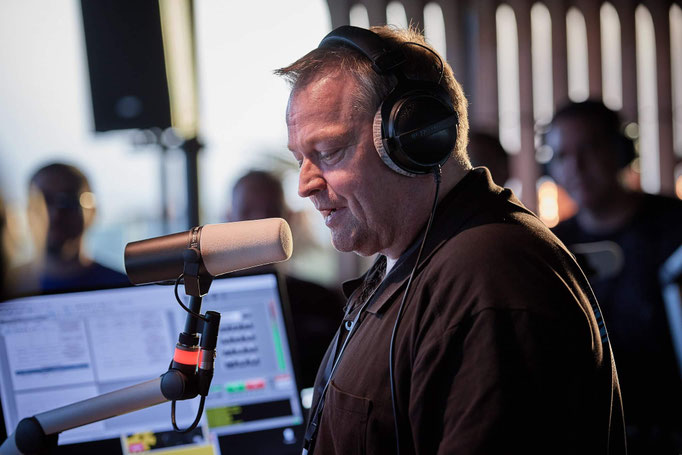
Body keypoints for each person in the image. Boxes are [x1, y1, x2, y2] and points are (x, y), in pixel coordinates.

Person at [276, 25, 626, 454]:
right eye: (300, 159)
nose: (305, 185)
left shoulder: (490, 280)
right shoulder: (410, 260)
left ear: (414, 137)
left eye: (328, 153)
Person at [545, 100, 682, 454]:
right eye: (562, 156)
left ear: (621, 151)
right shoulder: (550, 246)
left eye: (589, 149)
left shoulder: (675, 227)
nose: (576, 167)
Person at [227, 170, 344, 390]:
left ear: (288, 219)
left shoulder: (324, 302)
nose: (260, 223)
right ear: (228, 218)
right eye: (247, 211)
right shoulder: (201, 302)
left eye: (271, 211)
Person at [7, 162, 128, 296]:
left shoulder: (123, 289)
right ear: (27, 212)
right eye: (44, 202)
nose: (55, 214)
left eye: (68, 201)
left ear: (92, 210)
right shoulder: (7, 286)